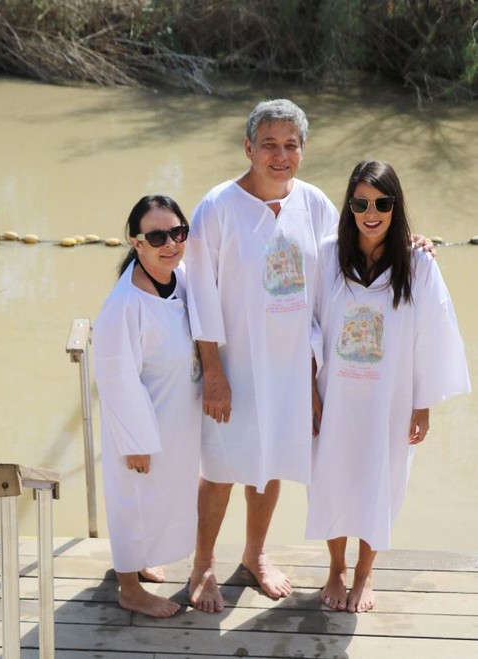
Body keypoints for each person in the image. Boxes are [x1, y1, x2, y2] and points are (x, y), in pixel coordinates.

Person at [185, 98, 340, 612]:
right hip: (235, 366)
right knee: (222, 466)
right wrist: (213, 373)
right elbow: (201, 294)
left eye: (290, 145)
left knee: (271, 460)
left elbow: (347, 270)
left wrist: (413, 242)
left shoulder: (316, 204)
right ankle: (203, 565)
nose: (280, 155)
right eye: (269, 144)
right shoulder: (217, 207)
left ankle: (254, 554)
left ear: (303, 149)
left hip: (293, 366)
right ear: (248, 147)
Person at [306, 160, 470, 613]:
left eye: (382, 202)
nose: (371, 212)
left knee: (381, 481)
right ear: (349, 206)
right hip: (334, 397)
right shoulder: (326, 255)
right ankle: (336, 568)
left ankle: (364, 574)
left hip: (390, 399)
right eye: (360, 203)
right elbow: (309, 326)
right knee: (332, 478)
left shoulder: (417, 265)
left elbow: (432, 335)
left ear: (396, 206)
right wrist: (308, 391)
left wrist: (423, 403)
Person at [92, 195, 202, 618]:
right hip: (139, 425)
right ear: (136, 243)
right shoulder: (124, 306)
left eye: (178, 232)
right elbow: (116, 378)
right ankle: (128, 589)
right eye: (157, 236)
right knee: (132, 501)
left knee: (159, 500)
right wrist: (134, 441)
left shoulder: (182, 278)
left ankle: (137, 563)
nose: (170, 243)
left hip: (176, 418)